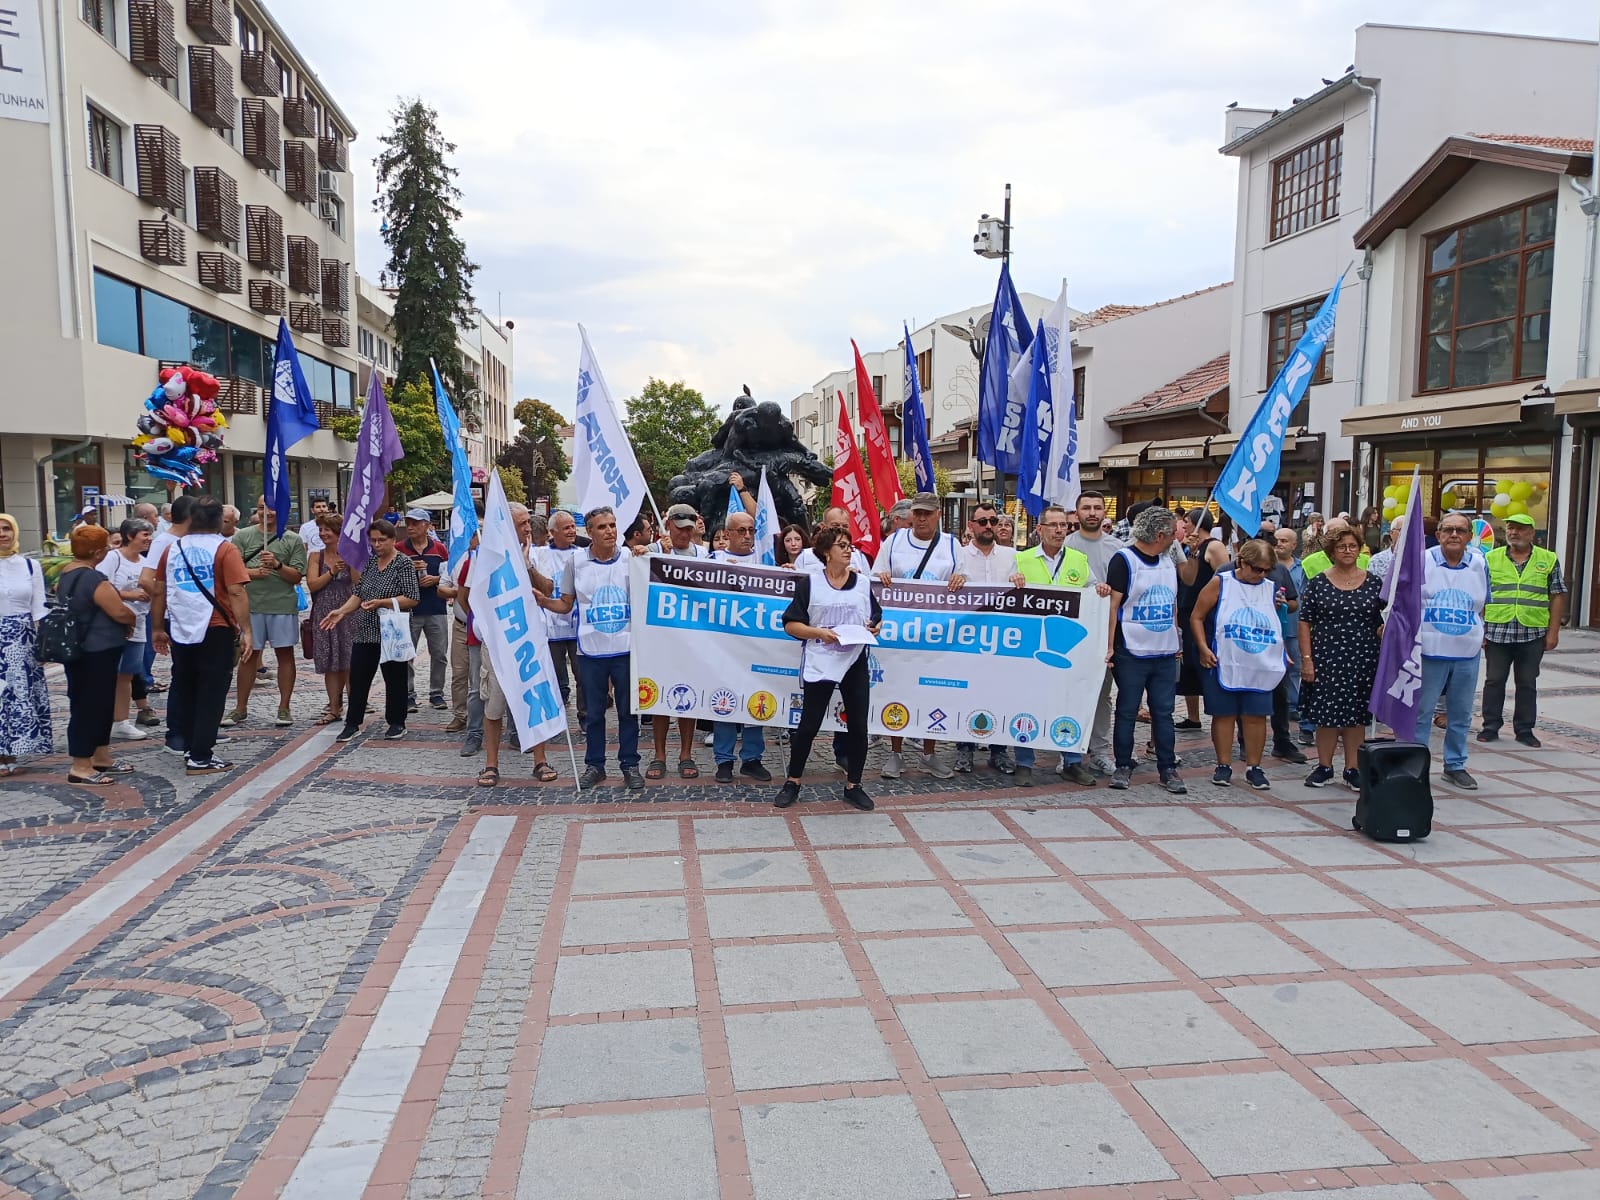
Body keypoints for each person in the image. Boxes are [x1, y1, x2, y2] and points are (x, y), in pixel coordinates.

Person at [774, 527, 883, 811]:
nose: (849, 550)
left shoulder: (861, 583)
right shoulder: (810, 584)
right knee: (809, 725)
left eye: (850, 546)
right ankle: (793, 781)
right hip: (821, 657)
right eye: (842, 545)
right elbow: (790, 624)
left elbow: (876, 617)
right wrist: (819, 633)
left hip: (853, 659)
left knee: (858, 725)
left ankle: (854, 785)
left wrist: (874, 627)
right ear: (826, 552)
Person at [148, 496, 253, 774]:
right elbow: (236, 591)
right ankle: (201, 755)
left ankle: (188, 744)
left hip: (180, 627)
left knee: (186, 687)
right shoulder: (224, 549)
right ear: (219, 519)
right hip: (215, 627)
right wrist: (246, 630)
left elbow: (158, 590)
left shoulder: (172, 548)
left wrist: (157, 628)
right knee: (212, 692)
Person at [1011, 504, 1101, 786]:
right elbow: (1003, 598)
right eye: (1054, 525)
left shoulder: (1078, 559)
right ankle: (1024, 762)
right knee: (1027, 702)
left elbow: (1093, 593)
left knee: (1070, 702)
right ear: (1040, 530)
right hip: (1030, 647)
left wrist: (1101, 591)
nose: (1060, 530)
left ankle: (1072, 761)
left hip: (1068, 648)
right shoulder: (1022, 559)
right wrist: (1012, 581)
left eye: (1064, 525)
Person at [873, 492, 960, 780]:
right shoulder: (895, 541)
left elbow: (967, 580)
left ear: (938, 515)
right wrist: (883, 576)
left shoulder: (951, 544)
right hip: (900, 635)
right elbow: (876, 576)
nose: (921, 518)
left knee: (931, 692)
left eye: (927, 513)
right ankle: (896, 752)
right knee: (898, 689)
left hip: (937, 636)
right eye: (918, 513)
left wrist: (962, 579)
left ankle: (929, 753)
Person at [1106, 505, 1188, 794]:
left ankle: (1168, 768)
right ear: (1161, 534)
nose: (1177, 537)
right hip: (1132, 650)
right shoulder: (1124, 560)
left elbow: (1173, 601)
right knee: (1127, 710)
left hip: (1164, 651)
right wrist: (1110, 647)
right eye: (1174, 533)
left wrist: (1176, 637)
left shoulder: (1168, 560)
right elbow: (1113, 606)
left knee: (1163, 712)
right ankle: (1123, 764)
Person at [1191, 538, 1285, 790]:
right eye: (1257, 569)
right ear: (1242, 562)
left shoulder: (1270, 587)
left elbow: (1275, 624)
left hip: (1258, 660)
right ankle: (1223, 764)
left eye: (1266, 570)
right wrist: (1202, 647)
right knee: (1224, 715)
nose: (1261, 574)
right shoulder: (1220, 583)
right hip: (1225, 659)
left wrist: (1282, 650)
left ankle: (1255, 766)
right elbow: (1197, 616)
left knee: (1256, 716)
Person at [1403, 511, 1488, 790]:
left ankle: (1455, 765)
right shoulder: (1422, 560)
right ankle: (1416, 765)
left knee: (1461, 713)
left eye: (1460, 530)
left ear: (1469, 536)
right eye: (1448, 529)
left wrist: (1480, 633)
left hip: (1467, 651)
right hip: (1430, 649)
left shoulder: (1479, 563)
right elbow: (1406, 601)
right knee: (1422, 712)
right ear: (1437, 534)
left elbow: (1483, 602)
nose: (1454, 535)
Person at [1297, 524, 1384, 789]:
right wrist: (1307, 659)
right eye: (1342, 547)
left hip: (1363, 659)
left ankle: (1352, 768)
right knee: (1327, 717)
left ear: (1359, 550)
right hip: (1326, 659)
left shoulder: (1373, 582)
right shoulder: (1319, 582)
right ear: (1332, 551)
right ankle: (1324, 766)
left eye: (1352, 546)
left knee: (1356, 717)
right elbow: (1304, 622)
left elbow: (1381, 620)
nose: (1348, 551)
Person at [320, 519, 420, 743]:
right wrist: (341, 611)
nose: (377, 545)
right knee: (359, 677)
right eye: (373, 540)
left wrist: (381, 602)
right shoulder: (371, 563)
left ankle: (396, 722)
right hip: (366, 630)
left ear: (393, 540)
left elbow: (412, 598)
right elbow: (359, 594)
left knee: (395, 678)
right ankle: (352, 723)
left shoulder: (403, 563)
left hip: (391, 630)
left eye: (381, 540)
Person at [55, 525, 137, 785]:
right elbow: (119, 611)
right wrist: (131, 618)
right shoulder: (92, 578)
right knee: (90, 705)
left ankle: (101, 756)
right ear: (99, 552)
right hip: (96, 649)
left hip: (81, 648)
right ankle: (81, 765)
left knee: (97, 702)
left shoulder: (66, 573)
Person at [571, 506, 644, 789]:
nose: (610, 531)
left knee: (628, 711)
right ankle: (595, 765)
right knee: (594, 713)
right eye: (602, 527)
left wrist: (647, 551)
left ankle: (630, 764)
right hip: (591, 650)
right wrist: (539, 599)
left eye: (613, 525)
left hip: (625, 649)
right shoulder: (575, 562)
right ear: (589, 532)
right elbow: (565, 602)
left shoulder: (631, 557)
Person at [1480, 512, 1566, 749]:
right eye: (1510, 528)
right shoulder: (1491, 558)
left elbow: (1557, 596)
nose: (1513, 532)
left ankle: (1525, 729)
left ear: (1531, 533)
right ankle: (1490, 726)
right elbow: (1480, 594)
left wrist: (1553, 632)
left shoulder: (1548, 559)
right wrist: (1480, 628)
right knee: (1494, 680)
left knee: (1527, 682)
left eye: (1519, 528)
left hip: (1532, 632)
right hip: (1497, 631)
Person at [700, 510, 775, 784]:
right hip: (724, 647)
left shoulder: (766, 561)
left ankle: (752, 759)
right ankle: (724, 760)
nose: (747, 536)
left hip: (756, 647)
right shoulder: (714, 560)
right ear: (727, 534)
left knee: (756, 699)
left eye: (751, 530)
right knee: (724, 700)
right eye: (741, 531)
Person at [225, 497, 306, 728]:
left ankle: (284, 707)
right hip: (251, 606)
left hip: (282, 606)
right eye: (262, 508)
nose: (267, 512)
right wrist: (254, 573)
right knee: (248, 656)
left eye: (272, 508)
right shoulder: (242, 536)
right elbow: (233, 570)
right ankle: (240, 708)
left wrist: (278, 565)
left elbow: (297, 577)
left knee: (285, 655)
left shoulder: (292, 539)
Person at [953, 501, 1018, 776]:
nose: (989, 526)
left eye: (993, 521)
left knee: (1001, 694)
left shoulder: (1011, 555)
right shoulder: (959, 555)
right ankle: (965, 749)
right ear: (971, 526)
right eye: (983, 522)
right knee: (968, 693)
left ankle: (999, 751)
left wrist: (1019, 580)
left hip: (1002, 639)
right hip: (969, 638)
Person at [1065, 491, 1127, 775]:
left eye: (1097, 508)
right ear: (1076, 513)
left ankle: (1100, 750)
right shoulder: (1066, 545)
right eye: (1086, 508)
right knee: (1069, 692)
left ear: (1105, 513)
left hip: (1106, 633)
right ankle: (1067, 748)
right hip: (1071, 632)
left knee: (1102, 694)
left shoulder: (1118, 548)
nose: (1092, 512)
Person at [649, 503, 709, 779]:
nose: (684, 534)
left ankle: (686, 753)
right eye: (679, 528)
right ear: (668, 525)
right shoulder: (653, 552)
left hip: (692, 637)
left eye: (689, 528)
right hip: (661, 637)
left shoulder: (705, 555)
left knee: (690, 697)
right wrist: (644, 553)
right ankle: (659, 754)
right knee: (660, 698)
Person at [0, 513, 52, 774]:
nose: (2, 534)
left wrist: (42, 644)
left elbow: (39, 609)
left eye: (7, 528)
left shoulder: (30, 566)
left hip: (22, 639)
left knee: (19, 695)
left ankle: (14, 752)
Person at [103, 518, 159, 740]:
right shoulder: (113, 558)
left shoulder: (144, 563)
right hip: (112, 623)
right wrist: (128, 594)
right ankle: (103, 718)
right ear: (130, 536)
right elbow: (101, 586)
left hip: (138, 623)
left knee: (127, 673)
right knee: (107, 673)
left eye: (149, 535)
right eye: (144, 534)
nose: (148, 539)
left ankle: (121, 721)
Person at [398, 508, 451, 714]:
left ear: (427, 526)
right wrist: (409, 569)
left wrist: (436, 579)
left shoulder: (439, 548)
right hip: (409, 609)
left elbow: (448, 576)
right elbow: (391, 575)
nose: (410, 527)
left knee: (439, 653)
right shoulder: (400, 548)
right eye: (408, 523)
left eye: (415, 523)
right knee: (406, 654)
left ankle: (436, 692)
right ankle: (408, 694)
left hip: (435, 606)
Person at [306, 513, 357, 726]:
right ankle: (334, 707)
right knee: (330, 663)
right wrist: (331, 572)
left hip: (348, 612)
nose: (323, 533)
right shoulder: (316, 556)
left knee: (350, 661)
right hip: (324, 613)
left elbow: (358, 582)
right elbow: (312, 584)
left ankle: (355, 707)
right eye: (321, 529)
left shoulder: (350, 554)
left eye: (328, 530)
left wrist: (352, 562)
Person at [538, 509, 585, 731]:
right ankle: (554, 718)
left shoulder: (582, 555)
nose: (572, 531)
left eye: (573, 527)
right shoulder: (541, 554)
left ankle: (585, 716)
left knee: (583, 674)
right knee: (554, 675)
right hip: (552, 627)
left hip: (578, 628)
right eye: (566, 528)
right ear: (552, 532)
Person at [793, 508, 871, 575]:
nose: (841, 530)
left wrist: (856, 578)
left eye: (845, 526)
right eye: (835, 526)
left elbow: (869, 586)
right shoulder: (805, 556)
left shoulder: (859, 557)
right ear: (823, 527)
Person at [1300, 517, 1368, 579]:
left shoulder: (1366, 561)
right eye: (1333, 533)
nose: (1338, 537)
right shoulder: (1309, 563)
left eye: (1343, 532)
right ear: (1325, 536)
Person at [1367, 514, 1405, 582]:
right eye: (1402, 530)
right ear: (1391, 533)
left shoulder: (1421, 560)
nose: (1407, 533)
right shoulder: (1377, 560)